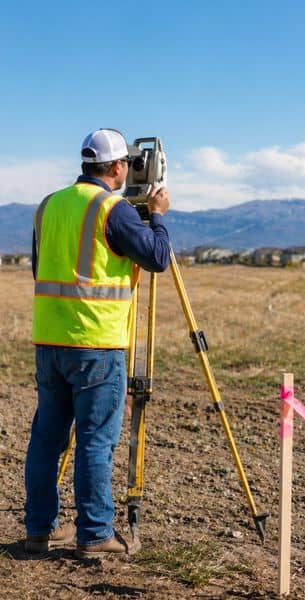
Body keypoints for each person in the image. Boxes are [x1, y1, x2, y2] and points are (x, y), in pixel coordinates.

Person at [24, 128, 170, 557]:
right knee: (95, 440)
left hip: (49, 340)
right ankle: (95, 534)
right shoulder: (114, 208)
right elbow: (157, 258)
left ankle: (40, 531)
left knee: (46, 440)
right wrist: (157, 215)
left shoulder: (48, 206)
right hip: (97, 345)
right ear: (119, 166)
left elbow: (40, 268)